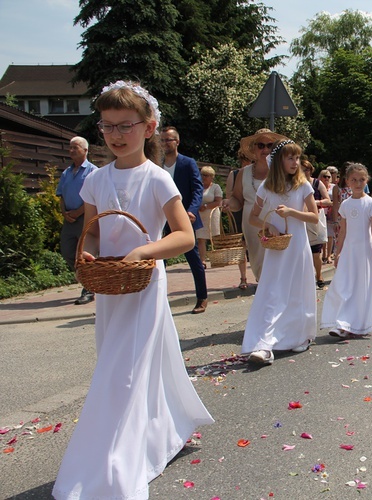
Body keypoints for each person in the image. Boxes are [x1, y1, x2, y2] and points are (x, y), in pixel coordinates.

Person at [52, 81, 213, 499]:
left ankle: (114, 463)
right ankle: (157, 434)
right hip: (110, 289)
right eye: (107, 127)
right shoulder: (96, 181)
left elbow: (182, 236)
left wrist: (146, 249)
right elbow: (93, 234)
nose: (116, 135)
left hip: (143, 287)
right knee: (120, 367)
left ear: (148, 127)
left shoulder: (158, 179)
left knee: (124, 375)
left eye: (126, 125)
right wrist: (87, 255)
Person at [241, 140, 318, 365]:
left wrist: (292, 212)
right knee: (272, 292)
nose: (295, 163)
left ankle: (300, 336)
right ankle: (264, 345)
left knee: (297, 290)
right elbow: (253, 217)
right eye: (290, 158)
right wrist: (267, 227)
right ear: (279, 161)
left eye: (297, 158)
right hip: (277, 248)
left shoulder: (303, 186)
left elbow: (313, 217)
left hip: (297, 246)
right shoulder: (266, 187)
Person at [321, 163, 372, 337]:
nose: (358, 183)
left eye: (361, 179)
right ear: (347, 181)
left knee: (362, 286)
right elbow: (343, 231)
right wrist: (337, 251)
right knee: (345, 285)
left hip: (365, 250)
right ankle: (342, 322)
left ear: (367, 180)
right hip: (349, 250)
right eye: (354, 180)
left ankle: (360, 320)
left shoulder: (371, 203)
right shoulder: (346, 205)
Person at [161, 126, 207, 314]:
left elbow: (197, 189)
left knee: (193, 258)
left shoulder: (187, 163)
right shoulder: (156, 164)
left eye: (169, 139)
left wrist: (192, 211)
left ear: (177, 141)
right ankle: (159, 301)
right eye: (162, 140)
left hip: (184, 219)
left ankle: (202, 297)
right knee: (159, 261)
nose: (165, 143)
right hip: (162, 220)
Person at [232, 128, 287, 284]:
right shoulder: (243, 173)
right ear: (254, 149)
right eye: (261, 145)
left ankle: (272, 298)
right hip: (252, 224)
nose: (265, 149)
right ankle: (265, 292)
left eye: (270, 145)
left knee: (277, 265)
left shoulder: (282, 172)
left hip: (276, 223)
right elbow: (237, 199)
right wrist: (229, 204)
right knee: (258, 264)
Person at [56, 136, 97, 305]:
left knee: (85, 254)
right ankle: (88, 278)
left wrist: (80, 212)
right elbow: (60, 194)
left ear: (85, 151)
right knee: (67, 251)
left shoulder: (93, 171)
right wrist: (64, 212)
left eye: (75, 147)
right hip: (69, 220)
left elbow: (93, 198)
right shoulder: (66, 172)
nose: (71, 150)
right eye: (70, 147)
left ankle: (89, 289)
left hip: (84, 218)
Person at [221, 144, 250, 289]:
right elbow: (229, 196)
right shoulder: (235, 174)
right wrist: (228, 205)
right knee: (241, 247)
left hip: (254, 213)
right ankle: (243, 277)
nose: (247, 163)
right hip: (239, 213)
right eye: (245, 159)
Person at [302, 160, 332, 288]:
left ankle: (319, 275)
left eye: (306, 169)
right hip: (300, 219)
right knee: (302, 250)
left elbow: (328, 201)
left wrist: (315, 202)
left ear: (311, 170)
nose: (304, 172)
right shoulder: (294, 184)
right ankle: (304, 278)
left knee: (316, 250)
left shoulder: (317, 183)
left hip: (315, 219)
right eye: (301, 169)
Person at [195, 166, 223, 266]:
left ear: (212, 177)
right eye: (202, 175)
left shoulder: (216, 187)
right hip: (200, 215)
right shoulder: (198, 186)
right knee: (201, 238)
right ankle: (202, 261)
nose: (203, 177)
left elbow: (218, 202)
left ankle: (217, 259)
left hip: (212, 214)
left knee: (214, 237)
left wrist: (206, 206)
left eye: (206, 175)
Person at [320, 166, 339, 264]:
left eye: (328, 176)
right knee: (323, 234)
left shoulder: (333, 187)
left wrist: (332, 204)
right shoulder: (318, 185)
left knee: (330, 235)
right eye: (325, 176)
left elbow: (336, 200)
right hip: (321, 211)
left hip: (331, 212)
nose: (327, 178)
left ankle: (328, 256)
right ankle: (323, 253)